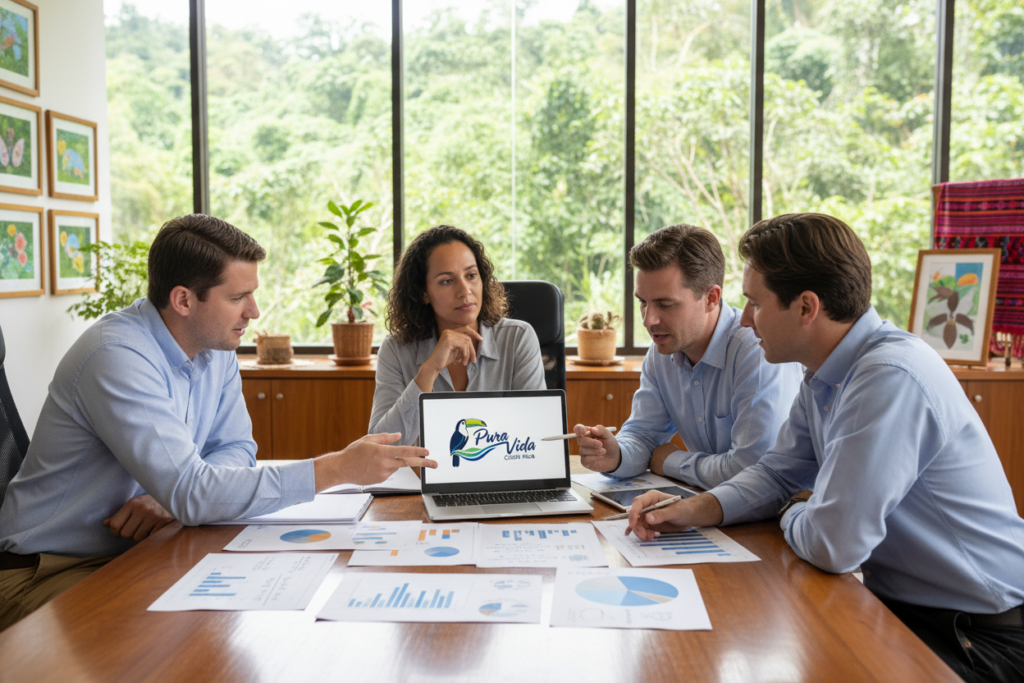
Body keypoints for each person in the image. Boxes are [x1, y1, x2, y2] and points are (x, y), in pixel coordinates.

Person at [627, 213, 1024, 683]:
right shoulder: (825, 375)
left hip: (979, 637)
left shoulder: (887, 376)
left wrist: (791, 510)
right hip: (908, 610)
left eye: (755, 302)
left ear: (806, 307)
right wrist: (694, 509)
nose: (746, 318)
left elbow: (834, 545)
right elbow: (776, 474)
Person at [0, 214, 435, 630]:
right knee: (174, 643)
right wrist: (336, 469)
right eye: (237, 298)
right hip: (45, 567)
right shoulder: (115, 356)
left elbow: (237, 451)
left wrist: (173, 497)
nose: (255, 312)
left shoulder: (215, 348)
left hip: (141, 547)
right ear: (184, 300)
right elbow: (194, 490)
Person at [575, 224, 802, 489]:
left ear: (711, 298)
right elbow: (644, 436)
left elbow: (751, 472)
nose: (649, 320)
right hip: (714, 507)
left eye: (666, 304)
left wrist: (669, 460)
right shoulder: (661, 352)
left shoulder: (756, 351)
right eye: (643, 302)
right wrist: (617, 456)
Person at [369, 225, 546, 446]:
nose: (465, 291)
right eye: (447, 281)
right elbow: (380, 446)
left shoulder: (518, 338)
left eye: (471, 275)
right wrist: (429, 370)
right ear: (423, 292)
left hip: (502, 477)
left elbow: (536, 433)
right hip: (419, 479)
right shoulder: (396, 350)